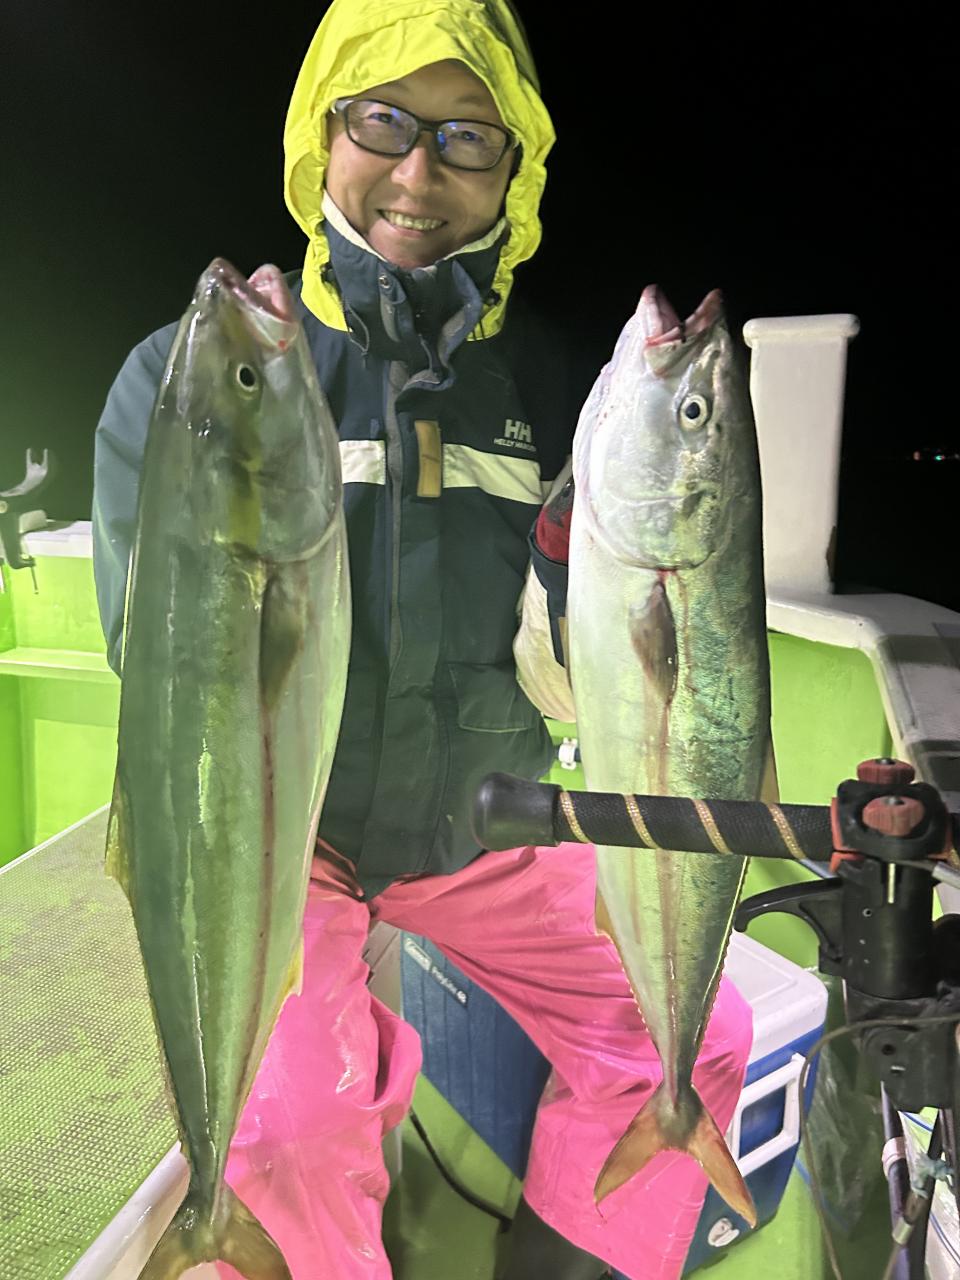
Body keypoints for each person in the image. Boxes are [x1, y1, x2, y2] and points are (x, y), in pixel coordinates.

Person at [91, 2, 752, 1277]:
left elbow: (591, 662)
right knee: (296, 1123)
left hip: (486, 819)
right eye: (383, 121)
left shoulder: (563, 385)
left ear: (515, 172)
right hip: (292, 842)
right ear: (323, 132)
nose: (418, 173)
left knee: (693, 1032)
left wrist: (573, 587)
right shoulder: (192, 380)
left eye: (466, 139)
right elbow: (165, 674)